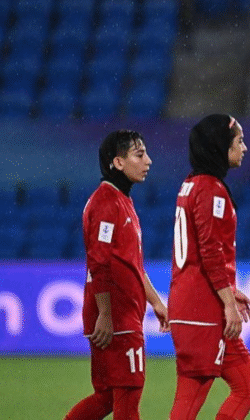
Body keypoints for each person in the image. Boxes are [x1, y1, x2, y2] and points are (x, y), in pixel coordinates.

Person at [66, 130, 169, 420]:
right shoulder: (106, 203)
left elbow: (131, 264)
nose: (148, 161)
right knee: (128, 395)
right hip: (117, 317)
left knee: (108, 397)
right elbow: (99, 263)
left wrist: (156, 302)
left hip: (123, 314)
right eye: (139, 155)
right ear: (118, 162)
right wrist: (106, 314)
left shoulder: (122, 201)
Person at [168, 114, 250, 420]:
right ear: (221, 146)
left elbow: (202, 250)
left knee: (248, 386)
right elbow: (209, 251)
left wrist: (229, 292)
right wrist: (228, 302)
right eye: (239, 141)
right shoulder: (210, 189)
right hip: (202, 308)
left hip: (201, 302)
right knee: (190, 398)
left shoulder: (192, 184)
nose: (245, 148)